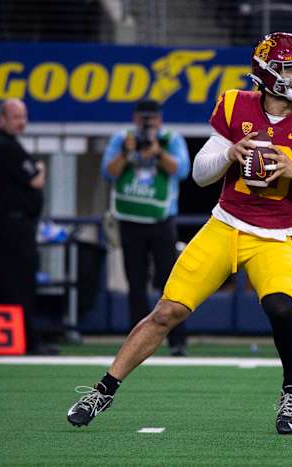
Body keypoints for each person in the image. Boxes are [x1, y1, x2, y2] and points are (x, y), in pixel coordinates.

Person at [67, 31, 292, 434]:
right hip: (224, 225)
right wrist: (230, 153)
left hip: (274, 234)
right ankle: (103, 390)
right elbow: (199, 174)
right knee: (166, 312)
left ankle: (291, 390)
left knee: (281, 310)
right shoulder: (236, 105)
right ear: (267, 74)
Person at [102, 99, 191, 356]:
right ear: (135, 118)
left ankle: (178, 341)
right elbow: (108, 172)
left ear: (160, 120)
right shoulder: (121, 139)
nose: (147, 124)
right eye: (143, 119)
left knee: (171, 282)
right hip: (130, 220)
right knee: (136, 283)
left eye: (151, 119)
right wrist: (127, 153)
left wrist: (157, 153)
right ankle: (136, 342)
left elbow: (182, 170)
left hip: (162, 221)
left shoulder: (170, 140)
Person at [0, 99, 55, 355]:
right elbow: (35, 180)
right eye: (15, 117)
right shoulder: (6, 147)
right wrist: (41, 168)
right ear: (2, 119)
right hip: (13, 227)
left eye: (24, 116)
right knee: (20, 283)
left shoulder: (5, 145)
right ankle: (28, 341)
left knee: (4, 282)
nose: (21, 121)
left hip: (10, 226)